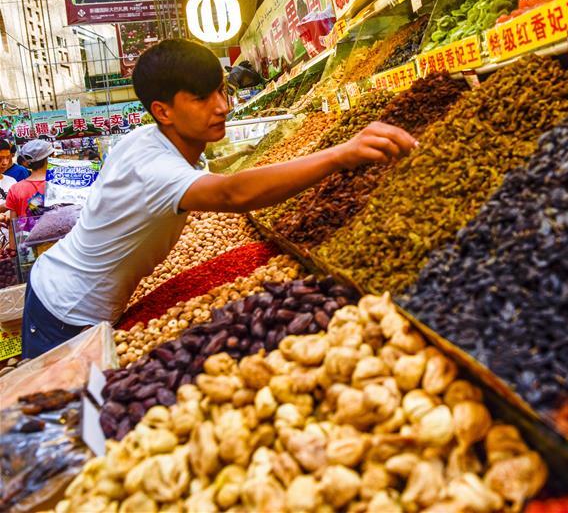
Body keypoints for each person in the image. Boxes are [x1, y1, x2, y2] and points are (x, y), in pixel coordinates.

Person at [22, 38, 417, 358]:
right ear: (163, 110)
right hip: (64, 313)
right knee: (67, 429)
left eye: (221, 91)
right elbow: (234, 192)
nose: (222, 106)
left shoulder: (148, 140)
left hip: (75, 297)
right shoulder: (155, 168)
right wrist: (339, 154)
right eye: (201, 98)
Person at [4, 139, 52, 222]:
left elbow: (13, 227)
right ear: (48, 158)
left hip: (27, 233)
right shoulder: (58, 183)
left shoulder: (15, 189)